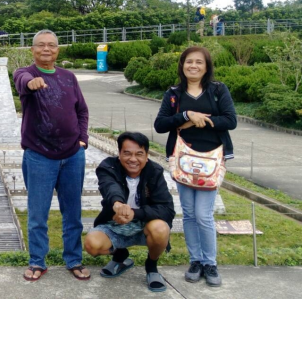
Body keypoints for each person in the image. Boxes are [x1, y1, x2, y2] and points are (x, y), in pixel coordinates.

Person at [155, 46, 237, 288]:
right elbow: (160, 124)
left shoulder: (218, 90)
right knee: (189, 214)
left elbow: (230, 120)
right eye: (189, 61)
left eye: (199, 62)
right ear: (182, 65)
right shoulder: (173, 94)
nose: (193, 66)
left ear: (206, 66)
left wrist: (199, 121)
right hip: (183, 160)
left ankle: (210, 263)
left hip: (210, 160)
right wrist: (185, 115)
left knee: (203, 214)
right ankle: (196, 261)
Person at [13, 30, 91, 282]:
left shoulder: (69, 77)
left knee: (73, 212)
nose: (46, 49)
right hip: (39, 155)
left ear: (58, 50)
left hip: (72, 155)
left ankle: (74, 259)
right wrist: (30, 83)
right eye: (41, 45)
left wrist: (82, 140)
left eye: (52, 45)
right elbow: (21, 80)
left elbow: (82, 110)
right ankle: (37, 261)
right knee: (38, 214)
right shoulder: (25, 73)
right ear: (32, 50)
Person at [84, 132, 175, 292]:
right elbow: (110, 187)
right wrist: (118, 204)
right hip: (114, 224)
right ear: (119, 154)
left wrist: (135, 213)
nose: (133, 159)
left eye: (139, 154)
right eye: (127, 153)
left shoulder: (154, 172)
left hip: (146, 226)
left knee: (161, 229)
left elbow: (166, 209)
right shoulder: (108, 167)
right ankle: (120, 255)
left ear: (147, 156)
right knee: (92, 245)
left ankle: (151, 266)